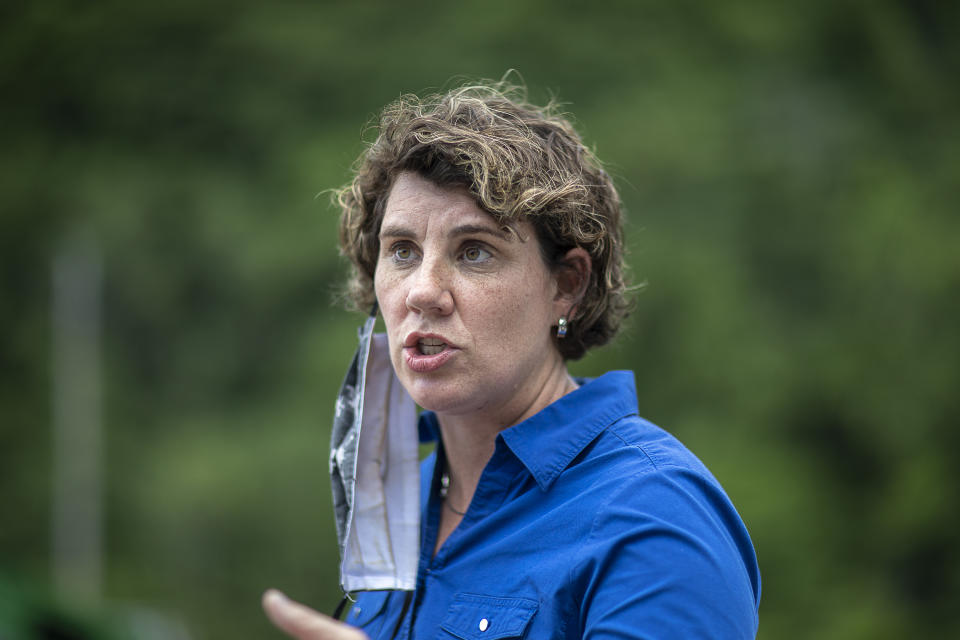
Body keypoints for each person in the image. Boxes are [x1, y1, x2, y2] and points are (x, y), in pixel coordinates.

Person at [263, 81, 761, 639]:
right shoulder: (397, 497)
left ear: (566, 285)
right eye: (402, 251)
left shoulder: (655, 518)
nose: (422, 291)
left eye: (474, 251)